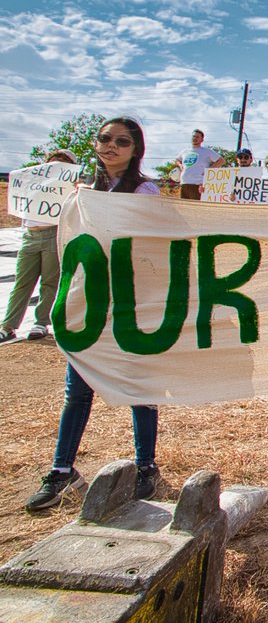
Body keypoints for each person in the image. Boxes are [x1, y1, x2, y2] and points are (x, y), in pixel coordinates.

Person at [25, 118, 163, 511]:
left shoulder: (144, 190)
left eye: (122, 141)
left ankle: (145, 466)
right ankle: (62, 470)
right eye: (105, 139)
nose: (111, 146)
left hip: (132, 303)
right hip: (89, 304)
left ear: (136, 149)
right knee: (77, 391)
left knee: (141, 387)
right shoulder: (82, 191)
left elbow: (151, 241)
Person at [0, 150, 78, 344]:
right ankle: (8, 326)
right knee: (22, 281)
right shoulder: (34, 182)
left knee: (50, 281)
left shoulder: (69, 186)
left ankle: (41, 322)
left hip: (53, 233)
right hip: (30, 235)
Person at [174, 129, 224, 200]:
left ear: (202, 140)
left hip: (197, 184)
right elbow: (177, 160)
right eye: (193, 136)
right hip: (184, 183)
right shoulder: (185, 151)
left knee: (195, 208)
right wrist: (180, 165)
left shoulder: (207, 151)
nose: (194, 138)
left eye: (197, 137)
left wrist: (209, 170)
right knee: (184, 208)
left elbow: (221, 161)